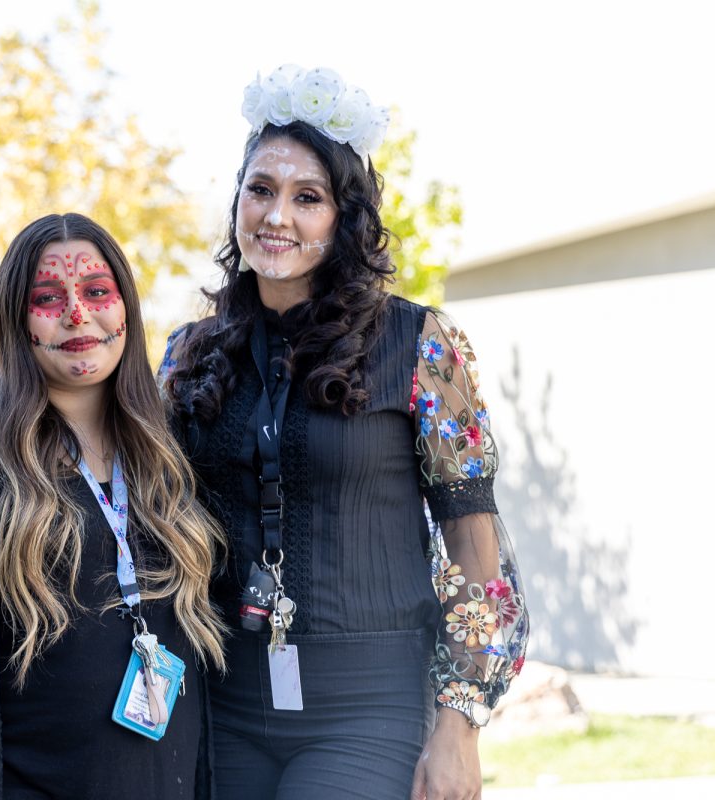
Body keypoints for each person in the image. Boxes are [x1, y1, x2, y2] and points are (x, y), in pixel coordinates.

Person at [160, 66, 529, 800]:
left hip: (371, 710)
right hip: (223, 703)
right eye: (260, 189)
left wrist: (460, 727)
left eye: (308, 198)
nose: (277, 216)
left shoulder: (422, 343)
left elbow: (475, 549)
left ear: (345, 217)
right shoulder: (189, 353)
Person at [0, 213, 228, 800]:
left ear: (126, 305)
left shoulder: (163, 440)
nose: (78, 314)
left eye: (97, 292)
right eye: (48, 298)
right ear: (14, 318)